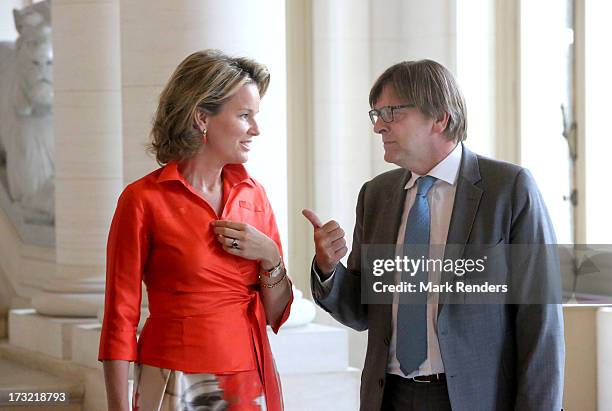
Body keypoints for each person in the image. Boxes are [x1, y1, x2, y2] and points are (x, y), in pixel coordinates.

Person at [303, 59, 564, 411]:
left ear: (440, 117)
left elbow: (540, 320)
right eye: (375, 114)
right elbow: (361, 312)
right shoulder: (375, 195)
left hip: (474, 398)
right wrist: (328, 269)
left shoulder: (509, 188)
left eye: (391, 112)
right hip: (388, 396)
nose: (379, 126)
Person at [98, 50, 293, 411]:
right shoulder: (143, 200)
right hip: (175, 375)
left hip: (249, 378)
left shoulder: (254, 195)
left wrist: (270, 257)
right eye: (244, 115)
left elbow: (277, 312)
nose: (256, 129)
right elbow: (119, 318)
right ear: (202, 117)